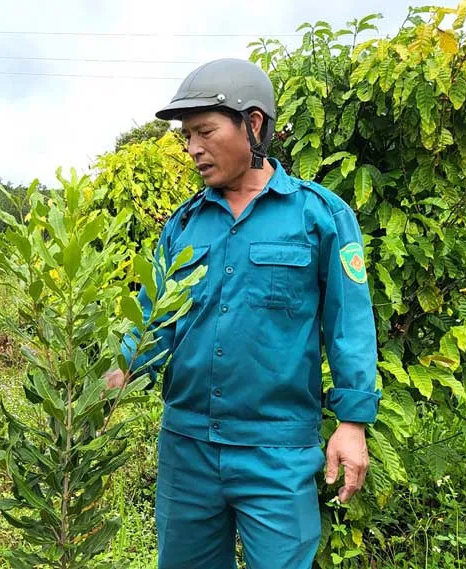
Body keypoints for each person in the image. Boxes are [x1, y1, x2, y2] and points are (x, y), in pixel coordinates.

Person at [106, 58, 381, 568]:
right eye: (186, 136)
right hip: (186, 449)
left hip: (277, 451)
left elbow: (350, 324)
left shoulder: (320, 215)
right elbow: (153, 322)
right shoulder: (183, 226)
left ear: (253, 125)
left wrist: (352, 422)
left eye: (205, 131)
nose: (192, 149)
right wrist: (112, 375)